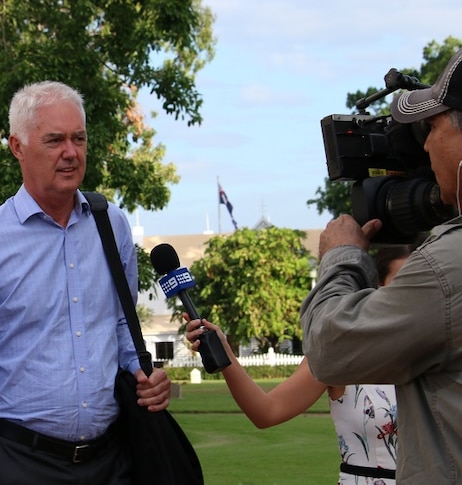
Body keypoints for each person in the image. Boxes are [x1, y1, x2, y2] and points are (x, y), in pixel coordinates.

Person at [0, 80, 172, 484]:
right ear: (17, 146)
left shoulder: (111, 224)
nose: (71, 153)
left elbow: (123, 328)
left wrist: (144, 375)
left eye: (79, 138)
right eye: (54, 140)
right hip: (22, 462)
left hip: (113, 459)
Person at [300, 48, 462, 483]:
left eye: (434, 127)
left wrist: (343, 257)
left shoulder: (450, 269)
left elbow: (329, 348)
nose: (427, 143)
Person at [186, 244, 417, 484]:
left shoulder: (445, 351)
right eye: (403, 284)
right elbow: (267, 411)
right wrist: (225, 354)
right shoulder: (341, 351)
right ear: (376, 288)